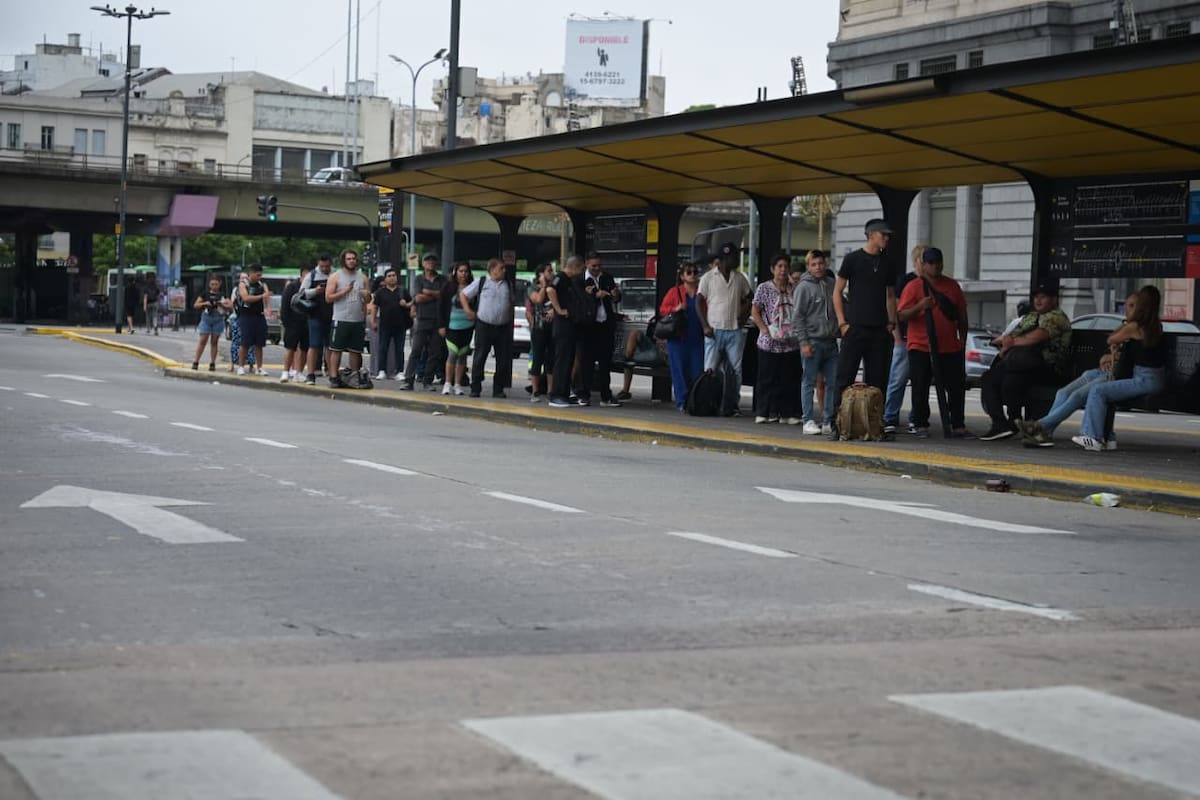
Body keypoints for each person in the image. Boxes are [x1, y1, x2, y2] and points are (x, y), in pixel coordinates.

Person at [1020, 292, 1138, 448]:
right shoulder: (1128, 325)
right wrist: (1109, 355)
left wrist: (1114, 355)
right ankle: (1045, 432)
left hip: (1118, 374)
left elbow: (1115, 342)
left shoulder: (1138, 328)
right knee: (1062, 393)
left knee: (1080, 395)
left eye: (1132, 306)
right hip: (1102, 371)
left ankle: (1040, 426)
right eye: (1127, 305)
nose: (1126, 309)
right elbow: (1113, 344)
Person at [1072, 285, 1168, 452]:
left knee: (1098, 391)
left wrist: (1127, 324)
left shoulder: (1135, 326)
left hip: (1143, 379)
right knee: (1109, 393)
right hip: (1157, 379)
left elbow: (1111, 339)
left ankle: (1092, 436)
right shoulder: (1156, 326)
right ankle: (1109, 438)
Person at [979, 277, 1072, 440]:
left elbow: (1037, 337)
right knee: (989, 378)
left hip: (1047, 367)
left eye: (1043, 297)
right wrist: (1003, 342)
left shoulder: (1057, 317)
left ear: (1053, 299)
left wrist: (1010, 343)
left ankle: (1014, 421)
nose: (1038, 300)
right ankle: (1001, 424)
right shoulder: (1031, 316)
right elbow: (1008, 336)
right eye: (1036, 297)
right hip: (1022, 364)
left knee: (1010, 377)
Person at [831, 218, 899, 438]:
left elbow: (890, 295)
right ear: (871, 235)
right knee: (845, 377)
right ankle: (837, 425)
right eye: (883, 234)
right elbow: (837, 291)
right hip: (855, 327)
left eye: (888, 235)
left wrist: (891, 322)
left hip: (880, 329)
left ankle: (875, 426)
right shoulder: (853, 259)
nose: (886, 238)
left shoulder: (888, 262)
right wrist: (842, 323)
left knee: (878, 380)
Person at [896, 247, 972, 438]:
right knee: (920, 386)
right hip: (920, 346)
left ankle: (957, 424)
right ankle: (920, 423)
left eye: (938, 262)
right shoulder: (913, 286)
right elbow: (902, 315)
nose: (935, 266)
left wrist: (962, 340)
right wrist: (920, 306)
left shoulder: (952, 286)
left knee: (955, 387)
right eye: (931, 263)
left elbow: (962, 315)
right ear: (923, 264)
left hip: (949, 346)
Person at [696, 241, 753, 401]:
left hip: (734, 331)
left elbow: (750, 297)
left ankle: (732, 402)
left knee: (735, 369)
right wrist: (705, 326)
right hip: (714, 330)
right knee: (710, 368)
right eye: (734, 257)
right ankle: (709, 401)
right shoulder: (708, 278)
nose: (737, 260)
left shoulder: (739, 278)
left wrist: (744, 317)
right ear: (723, 259)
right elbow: (699, 302)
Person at [750, 252, 802, 424]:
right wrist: (763, 329)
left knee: (789, 378)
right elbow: (755, 310)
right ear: (773, 269)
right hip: (769, 340)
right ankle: (763, 412)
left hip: (790, 340)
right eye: (779, 266)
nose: (783, 270)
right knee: (766, 377)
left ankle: (787, 413)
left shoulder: (794, 288)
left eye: (785, 266)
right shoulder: (764, 288)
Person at [792, 249, 839, 435]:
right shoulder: (803, 287)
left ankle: (828, 420)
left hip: (831, 341)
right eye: (814, 264)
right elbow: (797, 317)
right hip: (812, 341)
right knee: (809, 381)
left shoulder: (832, 284)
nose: (818, 267)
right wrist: (804, 342)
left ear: (825, 264)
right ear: (808, 267)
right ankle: (808, 420)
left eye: (820, 263)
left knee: (832, 382)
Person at [883, 244, 926, 434]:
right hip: (906, 336)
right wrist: (897, 336)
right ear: (916, 261)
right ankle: (890, 416)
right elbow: (895, 307)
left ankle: (916, 417)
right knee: (898, 379)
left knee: (920, 381)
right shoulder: (906, 281)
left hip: (922, 339)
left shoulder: (931, 282)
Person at [462, 257, 515, 398]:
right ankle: (475, 387)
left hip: (502, 327)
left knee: (502, 359)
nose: (504, 270)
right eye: (501, 268)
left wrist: (509, 318)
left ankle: (498, 389)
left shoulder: (508, 284)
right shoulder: (482, 282)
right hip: (484, 325)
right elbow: (464, 295)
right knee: (480, 357)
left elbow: (511, 302)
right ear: (492, 270)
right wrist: (468, 310)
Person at [658, 261, 705, 412]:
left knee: (697, 370)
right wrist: (676, 308)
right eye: (689, 273)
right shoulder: (675, 292)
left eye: (695, 272)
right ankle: (682, 401)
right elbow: (663, 310)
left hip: (697, 337)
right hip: (678, 338)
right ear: (682, 276)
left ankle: (695, 399)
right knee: (679, 370)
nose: (692, 275)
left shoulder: (702, 292)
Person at [580, 251, 623, 407]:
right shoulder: (580, 280)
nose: (597, 269)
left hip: (605, 323)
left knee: (605, 362)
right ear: (586, 264)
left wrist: (615, 295)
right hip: (589, 325)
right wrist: (594, 295)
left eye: (599, 265)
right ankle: (584, 394)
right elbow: (578, 300)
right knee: (587, 361)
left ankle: (606, 395)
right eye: (593, 266)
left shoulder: (607, 278)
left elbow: (616, 298)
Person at [324, 249, 372, 385]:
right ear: (343, 261)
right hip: (341, 318)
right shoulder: (335, 277)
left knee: (355, 351)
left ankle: (354, 376)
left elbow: (368, 299)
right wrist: (344, 291)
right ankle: (333, 376)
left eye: (353, 259)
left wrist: (367, 296)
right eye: (349, 259)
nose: (351, 261)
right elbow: (328, 298)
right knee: (336, 349)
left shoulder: (363, 277)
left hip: (357, 319)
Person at [547, 255, 588, 408]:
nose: (582, 272)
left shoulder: (571, 281)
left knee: (569, 361)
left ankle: (564, 393)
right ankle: (556, 394)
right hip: (562, 326)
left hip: (571, 325)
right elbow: (550, 289)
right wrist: (558, 309)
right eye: (581, 269)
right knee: (562, 361)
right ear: (575, 267)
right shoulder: (561, 277)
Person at [404, 253, 446, 391]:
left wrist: (428, 292)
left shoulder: (442, 279)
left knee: (435, 352)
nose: (431, 263)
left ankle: (428, 381)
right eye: (428, 260)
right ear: (423, 263)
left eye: (433, 260)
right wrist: (435, 295)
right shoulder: (418, 278)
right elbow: (417, 298)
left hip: (438, 320)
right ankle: (408, 380)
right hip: (422, 319)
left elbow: (444, 295)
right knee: (416, 349)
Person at [440, 261, 475, 396]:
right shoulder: (448, 287)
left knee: (462, 355)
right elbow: (441, 306)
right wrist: (441, 325)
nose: (463, 274)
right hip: (451, 326)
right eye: (461, 271)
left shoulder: (472, 287)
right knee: (453, 353)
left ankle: (458, 384)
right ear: (455, 272)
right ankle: (447, 383)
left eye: (466, 271)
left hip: (468, 326)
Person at [372, 267, 412, 381]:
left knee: (399, 349)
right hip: (385, 324)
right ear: (385, 279)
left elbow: (412, 303)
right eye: (389, 276)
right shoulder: (380, 292)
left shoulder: (403, 290)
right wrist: (373, 321)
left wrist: (406, 305)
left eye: (393, 275)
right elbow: (375, 307)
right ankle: (382, 370)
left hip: (400, 324)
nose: (392, 278)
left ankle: (399, 371)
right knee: (383, 347)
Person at [300, 253, 334, 385]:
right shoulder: (312, 276)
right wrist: (315, 291)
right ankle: (310, 373)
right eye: (322, 266)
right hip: (315, 315)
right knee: (313, 346)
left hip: (332, 315)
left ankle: (332, 374)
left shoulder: (335, 275)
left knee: (330, 347)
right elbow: (302, 293)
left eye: (327, 266)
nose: (324, 269)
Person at [526, 263, 556, 402]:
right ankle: (535, 391)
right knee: (537, 359)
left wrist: (555, 310)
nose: (552, 273)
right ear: (541, 274)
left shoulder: (555, 287)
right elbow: (537, 299)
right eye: (549, 271)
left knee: (551, 360)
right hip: (538, 327)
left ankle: (550, 390)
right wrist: (543, 286)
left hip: (553, 328)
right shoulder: (533, 288)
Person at [235, 263, 271, 376]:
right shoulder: (243, 284)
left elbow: (267, 296)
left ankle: (259, 367)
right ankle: (241, 366)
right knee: (245, 342)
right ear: (251, 273)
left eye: (260, 275)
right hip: (246, 315)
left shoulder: (262, 284)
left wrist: (268, 308)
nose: (259, 277)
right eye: (257, 275)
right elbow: (246, 298)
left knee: (259, 343)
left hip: (259, 315)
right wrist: (261, 296)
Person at [278, 265, 310, 382]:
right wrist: (286, 321)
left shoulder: (312, 287)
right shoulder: (292, 286)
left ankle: (299, 372)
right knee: (290, 347)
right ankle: (285, 371)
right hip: (293, 321)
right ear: (302, 274)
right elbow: (285, 304)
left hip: (307, 321)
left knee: (305, 348)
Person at [191, 275, 229, 371]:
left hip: (218, 318)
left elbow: (230, 306)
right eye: (212, 284)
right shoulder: (205, 294)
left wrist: (222, 304)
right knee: (203, 339)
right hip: (207, 317)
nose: (214, 286)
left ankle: (212, 363)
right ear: (209, 284)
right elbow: (196, 305)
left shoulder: (223, 295)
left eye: (216, 284)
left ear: (220, 284)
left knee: (214, 341)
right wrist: (205, 303)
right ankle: (196, 361)